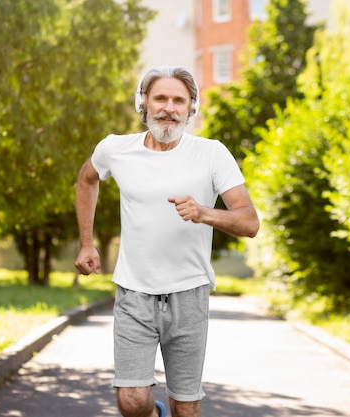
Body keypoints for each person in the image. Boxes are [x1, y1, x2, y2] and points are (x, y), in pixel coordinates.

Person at [74, 66, 260, 417]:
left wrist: (205, 213)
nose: (169, 108)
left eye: (179, 100)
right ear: (143, 103)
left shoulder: (212, 153)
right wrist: (86, 242)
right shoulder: (116, 149)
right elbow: (87, 179)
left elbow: (250, 221)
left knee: (186, 406)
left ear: (192, 107)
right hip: (133, 293)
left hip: (189, 294)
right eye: (160, 98)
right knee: (131, 403)